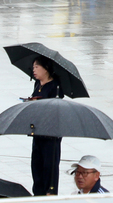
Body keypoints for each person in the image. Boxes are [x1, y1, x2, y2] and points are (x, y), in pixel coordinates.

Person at [28, 57, 63, 195]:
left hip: (50, 134)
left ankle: (50, 191)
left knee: (49, 165)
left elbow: (55, 108)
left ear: (46, 68)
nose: (34, 70)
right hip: (37, 131)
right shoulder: (37, 84)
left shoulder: (56, 86)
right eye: (33, 67)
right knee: (36, 165)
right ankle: (37, 193)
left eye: (37, 67)